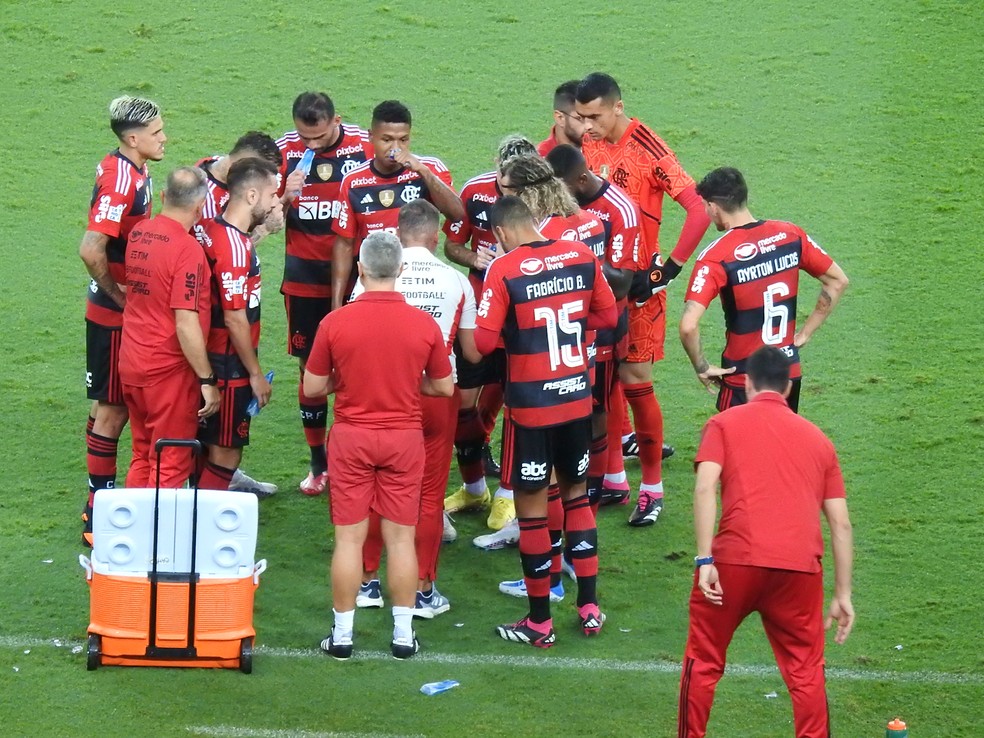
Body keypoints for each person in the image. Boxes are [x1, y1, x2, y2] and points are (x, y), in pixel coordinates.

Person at [678, 346, 854, 738]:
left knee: (704, 661)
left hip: (734, 564)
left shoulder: (723, 424)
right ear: (789, 388)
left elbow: (706, 486)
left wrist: (704, 557)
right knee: (806, 671)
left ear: (746, 382)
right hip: (799, 569)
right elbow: (840, 524)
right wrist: (842, 593)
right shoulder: (819, 440)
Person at [304, 231, 454, 661]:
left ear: (361, 269)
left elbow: (313, 387)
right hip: (403, 439)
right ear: (401, 270)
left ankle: (343, 636)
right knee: (402, 541)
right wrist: (409, 383)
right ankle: (404, 637)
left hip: (352, 437)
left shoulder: (335, 323)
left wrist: (343, 381)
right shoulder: (423, 324)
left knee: (349, 542)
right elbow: (443, 387)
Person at [476, 196, 617, 648]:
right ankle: (590, 607)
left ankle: (539, 623)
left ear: (500, 234)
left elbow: (480, 343)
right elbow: (608, 315)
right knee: (576, 499)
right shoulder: (580, 255)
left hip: (530, 409)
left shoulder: (503, 269)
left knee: (534, 514)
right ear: (534, 222)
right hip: (576, 398)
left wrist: (517, 331)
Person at [576, 72, 710, 527]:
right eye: (581, 117)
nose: (587, 125)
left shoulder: (648, 147)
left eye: (594, 116)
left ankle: (652, 488)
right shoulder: (584, 145)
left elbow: (698, 207)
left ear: (617, 107)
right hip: (597, 285)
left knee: (635, 382)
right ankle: (614, 477)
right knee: (605, 382)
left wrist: (667, 270)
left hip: (638, 287)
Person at [354, 199, 480, 618]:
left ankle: (368, 583)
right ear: (435, 234)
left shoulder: (373, 273)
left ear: (396, 231)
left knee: (372, 490)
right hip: (434, 396)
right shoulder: (456, 280)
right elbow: (471, 352)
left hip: (379, 392)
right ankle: (424, 591)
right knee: (428, 497)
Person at [678, 168, 850, 412]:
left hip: (744, 380)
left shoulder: (716, 257)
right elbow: (837, 281)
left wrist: (702, 366)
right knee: (780, 446)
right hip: (787, 373)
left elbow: (688, 326)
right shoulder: (790, 234)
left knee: (738, 449)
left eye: (705, 206)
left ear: (714, 207)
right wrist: (804, 334)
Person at [276, 92, 374, 497]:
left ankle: (360, 457)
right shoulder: (284, 152)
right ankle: (319, 464)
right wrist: (283, 196)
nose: (311, 146)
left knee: (363, 370)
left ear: (337, 119)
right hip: (303, 278)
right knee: (310, 371)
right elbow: (255, 216)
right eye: (305, 137)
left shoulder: (366, 145)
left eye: (318, 137)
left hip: (358, 277)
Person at [441, 134, 540, 535]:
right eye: (504, 179)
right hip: (476, 315)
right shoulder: (473, 192)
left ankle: (507, 497)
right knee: (460, 404)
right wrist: (472, 256)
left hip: (523, 317)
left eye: (518, 184)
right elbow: (451, 244)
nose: (509, 188)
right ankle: (474, 487)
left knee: (520, 410)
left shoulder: (546, 201)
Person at [79, 95, 164, 545]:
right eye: (156, 133)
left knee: (105, 407)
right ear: (133, 139)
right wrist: (122, 299)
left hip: (114, 308)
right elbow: (91, 249)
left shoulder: (133, 167)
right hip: (113, 314)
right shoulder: (120, 180)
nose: (164, 138)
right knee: (114, 409)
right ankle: (99, 514)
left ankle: (96, 504)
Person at [546, 144, 647, 517]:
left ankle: (597, 486)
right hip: (568, 322)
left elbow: (622, 283)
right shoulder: (560, 209)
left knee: (599, 405)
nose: (557, 198)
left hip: (605, 323)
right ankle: (587, 480)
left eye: (562, 189)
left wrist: (577, 254)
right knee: (571, 405)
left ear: (582, 180)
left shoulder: (619, 210)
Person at [118, 167, 220, 488]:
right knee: (170, 462)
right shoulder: (188, 250)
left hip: (132, 363)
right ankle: (158, 539)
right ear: (200, 207)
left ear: (163, 197)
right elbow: (186, 322)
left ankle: (132, 536)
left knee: (142, 453)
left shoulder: (139, 235)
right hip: (167, 372)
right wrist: (207, 379)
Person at [194, 158, 281, 493]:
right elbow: (234, 316)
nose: (276, 202)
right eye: (273, 195)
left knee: (209, 444)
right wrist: (255, 374)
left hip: (212, 355)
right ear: (251, 196)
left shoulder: (215, 230)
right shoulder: (233, 245)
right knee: (227, 451)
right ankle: (203, 527)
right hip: (228, 362)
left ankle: (197, 521)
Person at [331, 99, 465, 312]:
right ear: (370, 136)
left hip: (421, 284)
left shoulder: (429, 169)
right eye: (387, 140)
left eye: (403, 140)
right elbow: (344, 245)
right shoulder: (353, 181)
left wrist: (423, 172)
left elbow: (458, 214)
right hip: (375, 284)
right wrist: (336, 304)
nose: (396, 148)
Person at [196, 131, 284, 244]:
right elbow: (228, 253)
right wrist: (264, 229)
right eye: (265, 177)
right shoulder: (206, 202)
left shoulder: (216, 162)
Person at [537, 80, 585, 156]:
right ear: (560, 118)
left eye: (593, 117)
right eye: (580, 119)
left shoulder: (603, 151)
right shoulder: (542, 160)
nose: (589, 125)